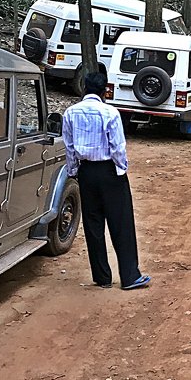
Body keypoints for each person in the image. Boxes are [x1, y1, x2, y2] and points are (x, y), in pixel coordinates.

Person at [62, 72, 150, 291]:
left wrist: (74, 170)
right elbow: (118, 147)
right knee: (121, 223)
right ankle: (130, 276)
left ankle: (102, 277)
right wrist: (121, 170)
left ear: (84, 88)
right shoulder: (110, 112)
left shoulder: (71, 113)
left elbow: (69, 146)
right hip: (109, 171)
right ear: (105, 91)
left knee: (93, 224)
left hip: (85, 172)